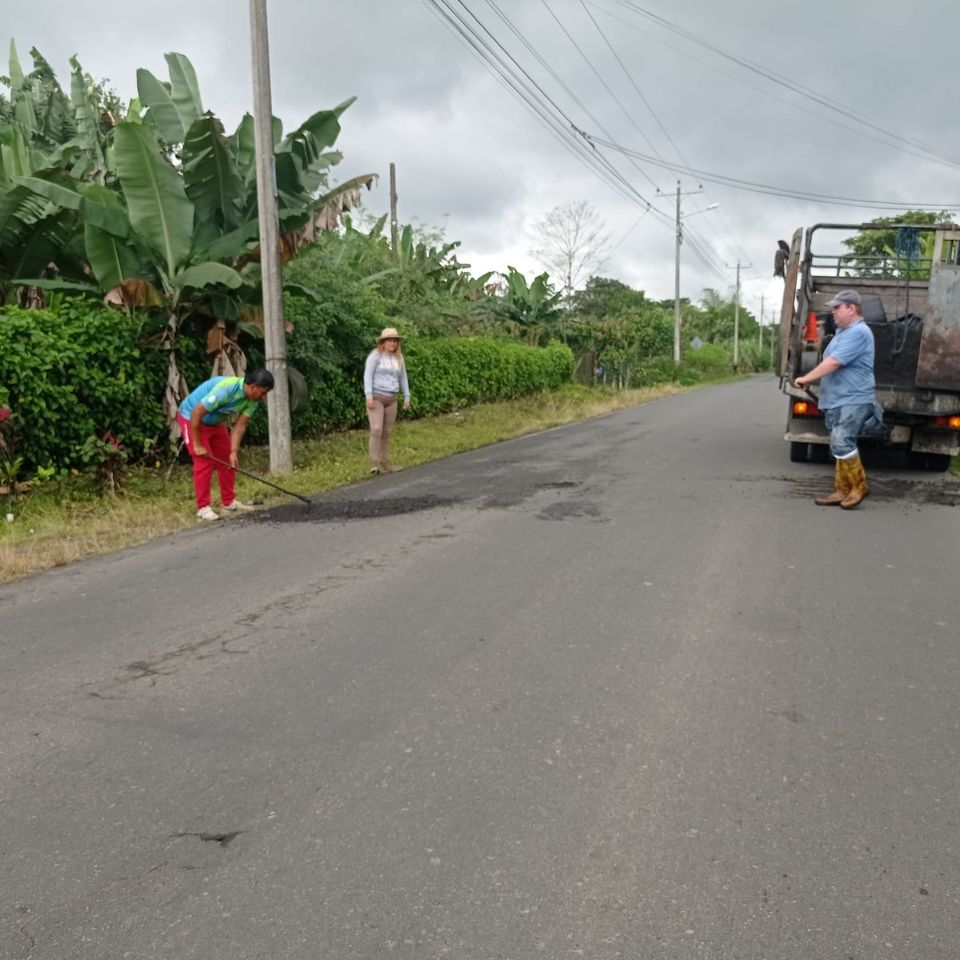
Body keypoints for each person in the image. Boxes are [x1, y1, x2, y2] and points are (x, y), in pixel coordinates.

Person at [794, 289, 877, 509]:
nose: (833, 312)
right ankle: (842, 489)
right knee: (838, 443)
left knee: (842, 440)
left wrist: (807, 377)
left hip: (854, 398)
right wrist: (813, 382)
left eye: (837, 308)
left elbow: (834, 362)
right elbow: (828, 362)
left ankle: (859, 486)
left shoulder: (859, 332)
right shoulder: (842, 333)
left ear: (851, 308)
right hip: (838, 399)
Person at [177, 369, 274, 520]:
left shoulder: (253, 401)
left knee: (228, 459)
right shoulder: (225, 390)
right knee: (204, 461)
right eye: (263, 392)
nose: (264, 396)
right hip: (191, 418)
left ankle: (228, 503)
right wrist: (197, 445)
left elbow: (240, 426)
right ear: (253, 387)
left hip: (215, 423)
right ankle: (203, 508)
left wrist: (233, 451)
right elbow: (196, 413)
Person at [363, 328, 410, 474]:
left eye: (395, 341)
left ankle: (385, 462)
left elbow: (403, 377)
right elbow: (368, 375)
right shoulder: (375, 356)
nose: (393, 343)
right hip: (377, 396)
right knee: (376, 429)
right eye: (390, 340)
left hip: (392, 398)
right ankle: (374, 463)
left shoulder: (398, 358)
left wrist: (407, 396)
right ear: (383, 342)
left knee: (386, 432)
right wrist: (368, 396)